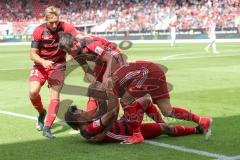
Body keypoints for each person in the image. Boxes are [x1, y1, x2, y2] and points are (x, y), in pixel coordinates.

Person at [87, 60, 212, 144]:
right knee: (167, 110)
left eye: (97, 98)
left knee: (126, 101)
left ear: (99, 91)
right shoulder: (110, 82)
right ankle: (202, 120)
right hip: (155, 71)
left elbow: (113, 112)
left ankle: (137, 134)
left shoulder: (109, 87)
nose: (99, 100)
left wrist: (97, 125)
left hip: (146, 73)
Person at [29, 6, 79, 139]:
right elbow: (32, 54)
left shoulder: (65, 27)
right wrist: (43, 62)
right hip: (41, 65)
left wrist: (74, 55)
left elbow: (78, 38)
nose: (55, 25)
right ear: (45, 20)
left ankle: (47, 128)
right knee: (33, 92)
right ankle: (41, 113)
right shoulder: (39, 30)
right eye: (52, 22)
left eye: (57, 21)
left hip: (58, 66)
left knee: (55, 96)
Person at [64, 97, 203, 144]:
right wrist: (114, 95)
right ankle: (197, 130)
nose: (85, 112)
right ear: (77, 120)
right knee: (166, 130)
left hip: (124, 123)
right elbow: (112, 113)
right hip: (128, 133)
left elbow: (109, 116)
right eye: (81, 113)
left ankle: (160, 122)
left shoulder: (90, 124)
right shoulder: (87, 130)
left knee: (145, 101)